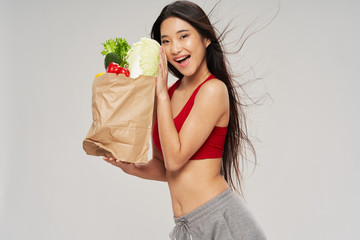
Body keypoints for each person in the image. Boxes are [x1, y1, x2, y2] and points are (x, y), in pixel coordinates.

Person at [104, 1, 267, 239]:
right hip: (187, 227)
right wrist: (131, 167)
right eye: (166, 41)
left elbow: (175, 159)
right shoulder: (168, 96)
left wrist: (159, 93)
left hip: (220, 222)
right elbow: (163, 165)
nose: (175, 48)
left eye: (183, 36)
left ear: (205, 39)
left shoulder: (213, 90)